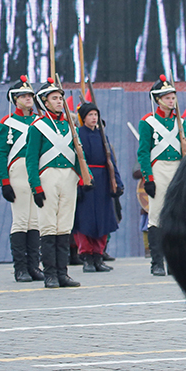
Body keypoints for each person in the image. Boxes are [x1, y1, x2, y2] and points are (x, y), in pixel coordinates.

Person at [25, 78, 85, 288]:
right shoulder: (37, 127)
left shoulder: (70, 126)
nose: (60, 101)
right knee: (49, 227)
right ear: (45, 102)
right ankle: (50, 274)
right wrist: (36, 186)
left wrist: (85, 177)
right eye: (54, 98)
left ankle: (62, 273)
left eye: (60, 98)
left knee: (64, 227)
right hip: (48, 177)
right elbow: (31, 159)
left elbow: (79, 154)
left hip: (69, 178)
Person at [137, 75, 186, 276]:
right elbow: (143, 152)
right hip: (158, 169)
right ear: (158, 100)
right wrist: (148, 178)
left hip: (177, 168)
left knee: (178, 216)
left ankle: (175, 261)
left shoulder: (180, 121)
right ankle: (157, 262)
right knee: (157, 216)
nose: (171, 101)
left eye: (172, 97)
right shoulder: (148, 122)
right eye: (167, 97)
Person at [0, 76, 44, 282]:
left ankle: (34, 266)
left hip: (37, 172)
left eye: (30, 95)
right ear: (15, 100)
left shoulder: (40, 121)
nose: (28, 99)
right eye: (23, 96)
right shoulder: (7, 123)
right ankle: (20, 268)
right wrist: (4, 181)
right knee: (21, 220)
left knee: (35, 221)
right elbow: (1, 154)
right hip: (19, 172)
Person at [74, 102, 123, 272]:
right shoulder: (78, 134)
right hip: (86, 180)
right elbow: (76, 160)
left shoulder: (103, 135)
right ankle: (87, 256)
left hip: (103, 181)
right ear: (83, 118)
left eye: (96, 115)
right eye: (90, 115)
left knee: (102, 219)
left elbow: (111, 162)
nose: (94, 118)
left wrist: (117, 182)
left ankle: (98, 255)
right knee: (85, 220)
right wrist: (79, 183)